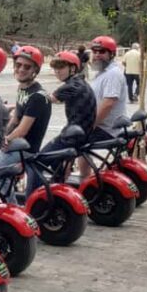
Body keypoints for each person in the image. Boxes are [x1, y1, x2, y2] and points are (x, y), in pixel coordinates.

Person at [0, 45, 51, 202]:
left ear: (35, 70)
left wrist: (6, 140)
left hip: (26, 148)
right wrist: (4, 135)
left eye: (27, 67)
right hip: (16, 144)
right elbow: (16, 118)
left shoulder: (37, 96)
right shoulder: (23, 88)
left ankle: (12, 208)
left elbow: (23, 129)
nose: (21, 69)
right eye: (18, 65)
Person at [35, 51, 96, 190]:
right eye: (55, 68)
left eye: (61, 67)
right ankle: (59, 186)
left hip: (74, 136)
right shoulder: (81, 82)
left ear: (72, 68)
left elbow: (48, 99)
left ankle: (33, 197)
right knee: (56, 162)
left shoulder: (72, 85)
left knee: (38, 162)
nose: (57, 71)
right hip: (82, 133)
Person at [78, 35, 127, 178]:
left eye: (102, 52)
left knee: (72, 142)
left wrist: (90, 125)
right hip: (104, 126)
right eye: (95, 51)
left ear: (111, 54)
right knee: (75, 141)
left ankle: (83, 181)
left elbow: (108, 103)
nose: (97, 55)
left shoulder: (112, 74)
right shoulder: (103, 73)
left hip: (107, 128)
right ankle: (85, 179)